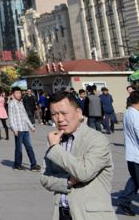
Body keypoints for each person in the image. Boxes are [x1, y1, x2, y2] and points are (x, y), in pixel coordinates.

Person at [39, 91, 114, 220]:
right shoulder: (56, 140)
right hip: (62, 213)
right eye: (54, 114)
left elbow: (83, 173)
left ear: (78, 113)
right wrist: (67, 182)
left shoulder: (97, 139)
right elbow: (44, 178)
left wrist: (55, 149)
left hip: (90, 215)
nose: (60, 119)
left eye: (64, 113)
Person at [8, 87, 41, 171]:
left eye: (19, 93)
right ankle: (17, 165)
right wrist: (13, 128)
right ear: (13, 94)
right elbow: (11, 117)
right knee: (19, 148)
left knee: (29, 147)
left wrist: (31, 126)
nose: (19, 95)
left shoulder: (21, 103)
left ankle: (33, 165)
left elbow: (25, 116)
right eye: (17, 93)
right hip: (18, 129)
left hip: (25, 129)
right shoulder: (11, 104)